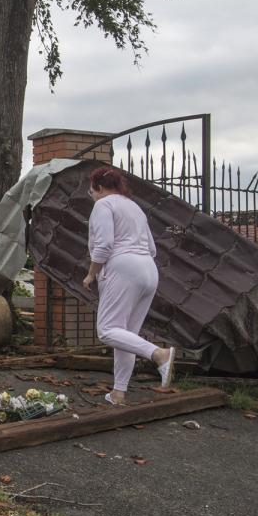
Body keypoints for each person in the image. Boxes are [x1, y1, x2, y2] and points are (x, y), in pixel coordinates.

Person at [82, 165, 176, 405]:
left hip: (123, 268)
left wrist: (92, 274)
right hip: (148, 270)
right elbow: (153, 248)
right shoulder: (134, 207)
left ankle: (159, 354)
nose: (90, 194)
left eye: (91, 189)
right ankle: (118, 393)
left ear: (99, 187)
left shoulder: (103, 205)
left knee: (107, 330)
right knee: (125, 336)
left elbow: (103, 246)